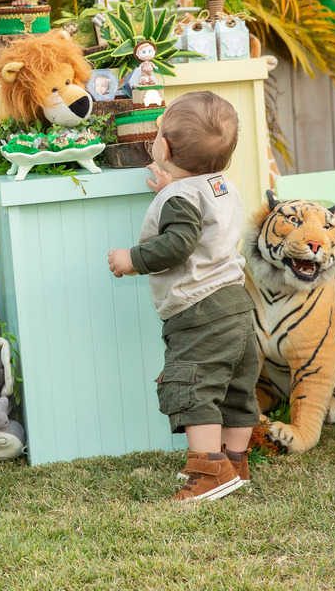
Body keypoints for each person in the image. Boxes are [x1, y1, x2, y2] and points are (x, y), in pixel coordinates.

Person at [107, 90, 258, 502]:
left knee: (195, 388)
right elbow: (200, 213)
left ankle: (210, 472)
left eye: (158, 132)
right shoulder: (221, 186)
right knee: (236, 390)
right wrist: (171, 186)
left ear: (165, 148)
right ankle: (234, 463)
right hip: (237, 306)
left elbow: (178, 244)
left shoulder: (180, 197)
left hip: (199, 312)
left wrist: (132, 259)